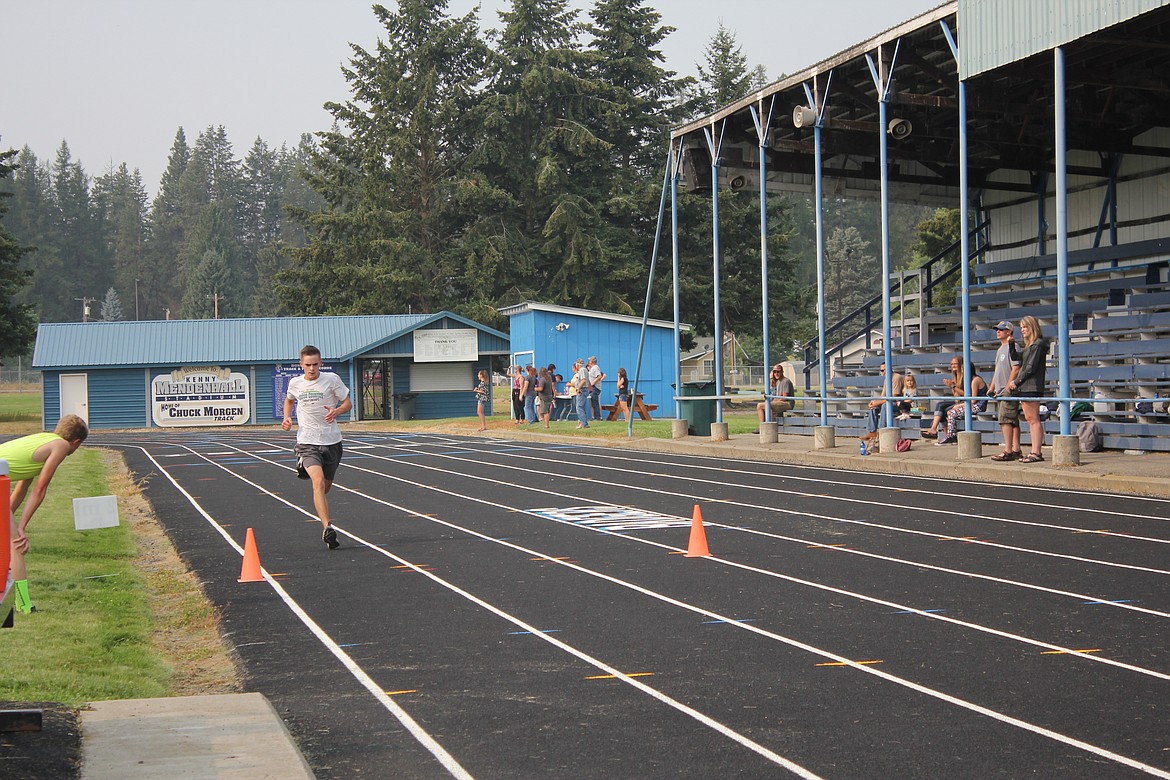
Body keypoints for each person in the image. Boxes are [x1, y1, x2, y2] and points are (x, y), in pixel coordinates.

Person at [0, 414, 89, 614]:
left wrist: (15, 521)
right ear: (76, 442)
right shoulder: (60, 446)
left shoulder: (43, 439)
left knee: (10, 538)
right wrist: (20, 530)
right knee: (17, 547)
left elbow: (24, 486)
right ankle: (23, 605)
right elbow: (40, 488)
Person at [282, 345, 352, 549]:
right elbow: (288, 401)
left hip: (332, 442)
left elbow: (348, 403)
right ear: (301, 365)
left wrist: (337, 411)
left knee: (325, 487)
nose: (311, 368)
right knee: (318, 483)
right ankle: (327, 527)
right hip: (307, 442)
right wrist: (287, 418)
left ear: (320, 363)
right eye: (308, 365)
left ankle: (321, 505)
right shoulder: (295, 383)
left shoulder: (331, 380)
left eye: (315, 364)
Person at [1006, 314, 1050, 463]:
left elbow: (1030, 368)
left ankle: (1036, 452)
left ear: (1033, 327)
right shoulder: (1030, 346)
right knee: (1030, 419)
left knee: (1033, 419)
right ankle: (1034, 451)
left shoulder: (1038, 344)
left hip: (1031, 385)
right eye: (1021, 327)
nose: (1023, 330)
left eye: (1025, 327)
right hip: (1026, 386)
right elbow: (1017, 358)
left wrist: (1016, 381)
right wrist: (1011, 344)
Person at [988, 320, 1022, 461]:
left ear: (1009, 332)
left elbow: (1016, 367)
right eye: (997, 329)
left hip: (1008, 389)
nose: (998, 331)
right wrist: (992, 387)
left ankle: (1008, 450)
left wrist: (1008, 385)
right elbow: (998, 370)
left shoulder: (1013, 346)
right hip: (1001, 389)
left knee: (1006, 420)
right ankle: (1015, 449)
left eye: (1001, 329)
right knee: (1011, 420)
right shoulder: (1000, 349)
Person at [937, 362, 988, 445]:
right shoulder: (971, 380)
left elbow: (973, 400)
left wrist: (960, 405)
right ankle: (951, 434)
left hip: (978, 406)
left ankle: (951, 436)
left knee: (951, 412)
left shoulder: (975, 380)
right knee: (949, 410)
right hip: (974, 404)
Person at [921, 356, 963, 438]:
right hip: (958, 400)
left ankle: (943, 434)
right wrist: (953, 386)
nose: (953, 366)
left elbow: (966, 394)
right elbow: (956, 395)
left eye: (955, 364)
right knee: (940, 405)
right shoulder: (955, 376)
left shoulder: (965, 377)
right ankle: (939, 431)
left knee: (943, 410)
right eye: (952, 364)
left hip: (966, 402)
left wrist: (953, 387)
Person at [862, 362, 904, 442]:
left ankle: (882, 430)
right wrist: (874, 403)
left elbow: (894, 397)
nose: (883, 372)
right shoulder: (886, 379)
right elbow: (883, 396)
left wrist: (878, 402)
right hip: (890, 401)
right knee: (874, 407)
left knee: (885, 405)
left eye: (885, 370)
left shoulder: (896, 378)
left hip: (899, 403)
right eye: (882, 370)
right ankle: (872, 431)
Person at [571, 358, 591, 429]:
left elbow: (583, 380)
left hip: (582, 390)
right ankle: (584, 423)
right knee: (582, 407)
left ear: (577, 364)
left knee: (579, 407)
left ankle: (583, 423)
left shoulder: (582, 370)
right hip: (584, 389)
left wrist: (578, 388)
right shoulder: (585, 370)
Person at [586, 356, 606, 421]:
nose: (588, 362)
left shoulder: (595, 367)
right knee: (593, 402)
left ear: (592, 361)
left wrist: (593, 383)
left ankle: (598, 417)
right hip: (592, 388)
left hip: (595, 387)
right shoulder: (592, 368)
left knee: (595, 403)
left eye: (589, 361)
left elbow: (599, 376)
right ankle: (596, 417)